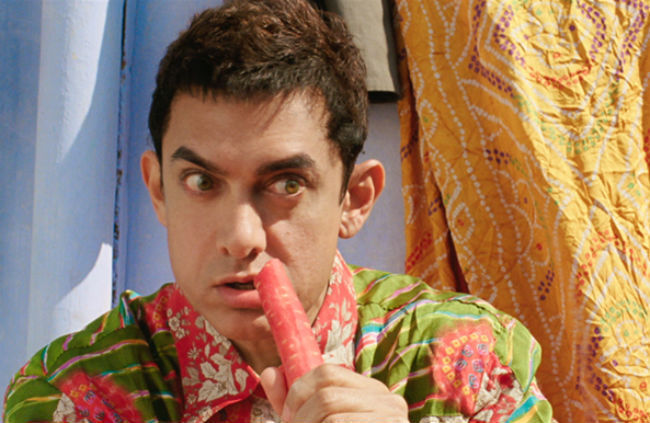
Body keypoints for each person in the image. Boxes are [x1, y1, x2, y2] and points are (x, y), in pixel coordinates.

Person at [3, 1, 554, 422]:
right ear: (158, 190)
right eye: (201, 182)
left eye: (286, 184)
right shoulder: (78, 393)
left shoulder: (462, 362)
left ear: (354, 199)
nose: (241, 236)